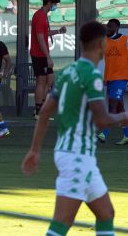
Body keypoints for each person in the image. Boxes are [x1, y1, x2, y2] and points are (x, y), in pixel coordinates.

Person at [22, 21, 128, 236]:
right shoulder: (92, 76)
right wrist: (125, 115)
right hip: (77, 156)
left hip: (73, 154)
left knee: (106, 213)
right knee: (61, 223)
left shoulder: (68, 72)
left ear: (80, 43)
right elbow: (102, 120)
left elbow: (44, 113)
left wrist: (35, 149)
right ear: (102, 44)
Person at [31, 0, 67, 118]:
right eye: (55, 3)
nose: (55, 6)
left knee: (50, 80)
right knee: (41, 81)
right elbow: (40, 39)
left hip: (42, 54)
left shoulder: (43, 15)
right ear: (49, 2)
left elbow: (45, 34)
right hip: (39, 54)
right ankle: (38, 111)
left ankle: (41, 108)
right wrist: (48, 57)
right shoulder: (40, 16)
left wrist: (58, 31)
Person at [97, 19, 128, 144]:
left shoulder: (125, 40)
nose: (108, 28)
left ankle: (104, 133)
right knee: (120, 108)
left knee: (113, 105)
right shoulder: (105, 42)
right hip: (110, 79)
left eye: (111, 26)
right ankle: (127, 135)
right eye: (107, 26)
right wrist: (105, 78)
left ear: (116, 28)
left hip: (121, 78)